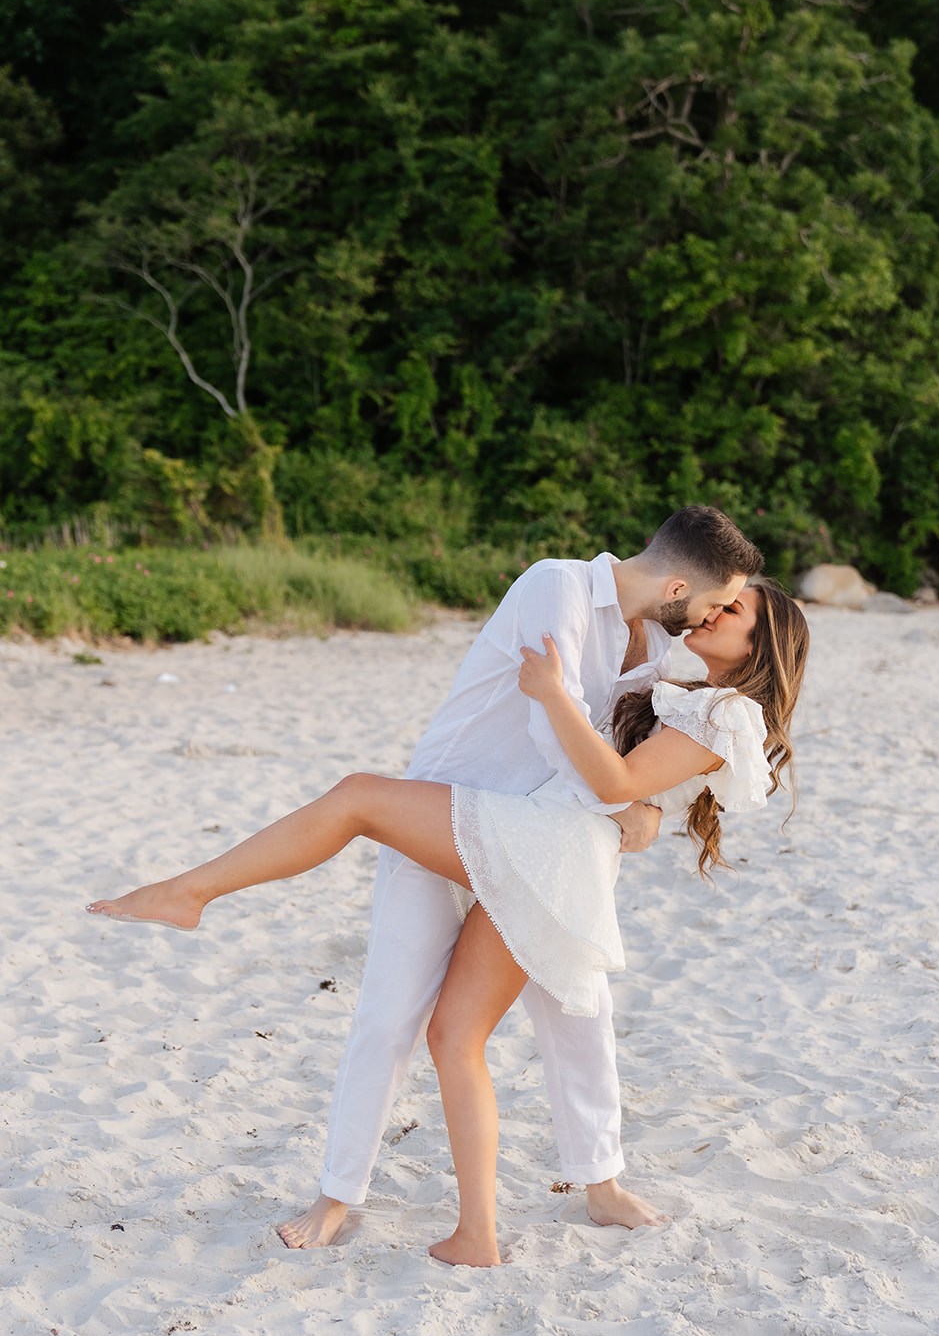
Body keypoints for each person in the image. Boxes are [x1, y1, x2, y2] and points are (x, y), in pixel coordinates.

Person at [87, 506, 767, 1256]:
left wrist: (640, 809)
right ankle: (337, 1195)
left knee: (577, 1014)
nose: (715, 612)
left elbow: (657, 752)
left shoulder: (656, 648)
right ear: (677, 582)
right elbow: (558, 730)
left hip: (546, 836)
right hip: (452, 816)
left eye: (728, 609)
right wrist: (624, 805)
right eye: (717, 599)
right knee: (391, 1014)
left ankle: (599, 1185)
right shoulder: (559, 587)